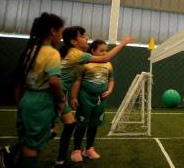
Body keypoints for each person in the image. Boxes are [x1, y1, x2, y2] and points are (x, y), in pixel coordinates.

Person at [54, 26, 133, 167]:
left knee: (69, 124)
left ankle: (61, 159)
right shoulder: (77, 55)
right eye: (83, 36)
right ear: (73, 41)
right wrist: (123, 42)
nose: (87, 38)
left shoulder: (75, 55)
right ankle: (72, 152)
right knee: (48, 131)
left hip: (63, 95)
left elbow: (110, 76)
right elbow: (106, 58)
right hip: (54, 94)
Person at [0, 12, 65, 168]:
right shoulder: (52, 53)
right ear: (53, 31)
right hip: (41, 103)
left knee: (28, 142)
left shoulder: (31, 50)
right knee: (32, 149)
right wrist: (61, 101)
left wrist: (20, 102)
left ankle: (10, 155)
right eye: (60, 32)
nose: (61, 37)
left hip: (26, 99)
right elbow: (54, 82)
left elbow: (19, 81)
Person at [70, 39, 114, 162]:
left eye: (106, 50)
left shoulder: (108, 64)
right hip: (85, 98)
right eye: (101, 50)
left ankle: (89, 149)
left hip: (100, 100)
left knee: (94, 125)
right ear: (93, 50)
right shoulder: (85, 63)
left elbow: (111, 80)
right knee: (82, 124)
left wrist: (109, 90)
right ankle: (76, 150)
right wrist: (73, 97)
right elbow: (78, 81)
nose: (105, 53)